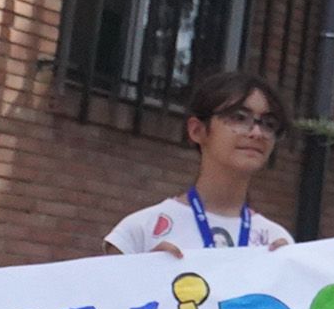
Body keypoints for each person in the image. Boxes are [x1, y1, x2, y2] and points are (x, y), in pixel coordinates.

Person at [105, 68, 297, 258]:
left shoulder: (277, 241)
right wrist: (149, 275)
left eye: (269, 124)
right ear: (197, 130)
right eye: (239, 117)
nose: (257, 133)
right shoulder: (140, 231)